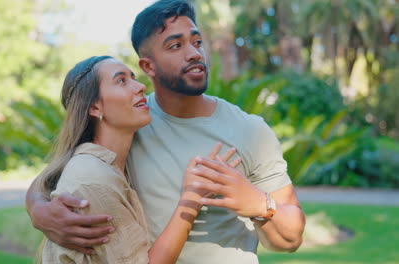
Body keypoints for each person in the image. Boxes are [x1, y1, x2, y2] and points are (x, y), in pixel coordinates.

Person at [26, 0, 306, 263]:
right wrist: (39, 212)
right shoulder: (130, 120)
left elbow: (291, 237)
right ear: (148, 67)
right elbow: (57, 175)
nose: (194, 53)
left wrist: (259, 203)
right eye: (175, 46)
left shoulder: (251, 130)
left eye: (197, 42)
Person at [37, 55, 239, 263]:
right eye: (121, 80)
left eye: (133, 78)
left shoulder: (110, 163)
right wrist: (192, 199)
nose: (140, 86)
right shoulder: (93, 177)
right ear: (95, 107)